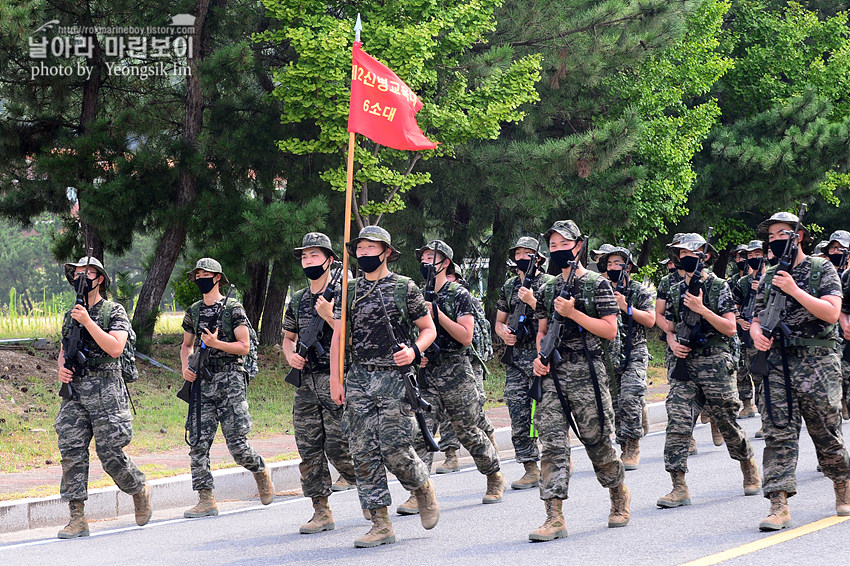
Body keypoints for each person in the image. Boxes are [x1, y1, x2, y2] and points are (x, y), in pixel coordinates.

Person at [329, 225, 439, 548]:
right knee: (362, 450)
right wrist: (337, 378)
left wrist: (414, 351)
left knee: (395, 449)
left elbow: (428, 329)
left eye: (370, 248)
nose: (364, 254)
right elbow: (338, 335)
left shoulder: (404, 288)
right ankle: (380, 522)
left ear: (386, 252)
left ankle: (422, 488)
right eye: (359, 249)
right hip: (360, 377)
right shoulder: (348, 291)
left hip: (394, 377)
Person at [529, 220, 630, 541]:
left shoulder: (597, 285)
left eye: (564, 244)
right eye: (553, 245)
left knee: (598, 443)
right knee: (553, 446)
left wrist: (573, 314)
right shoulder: (546, 288)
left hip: (588, 373)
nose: (558, 250)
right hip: (553, 376)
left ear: (578, 247)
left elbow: (610, 330)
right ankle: (553, 515)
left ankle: (618, 493)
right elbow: (542, 331)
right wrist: (540, 356)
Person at [750, 213, 850, 530]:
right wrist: (756, 335)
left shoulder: (823, 270)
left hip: (817, 362)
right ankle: (778, 504)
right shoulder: (767, 278)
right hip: (777, 364)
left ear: (799, 236)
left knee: (826, 431)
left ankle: (842, 485)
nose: (776, 239)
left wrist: (794, 290)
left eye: (783, 233)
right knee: (778, 432)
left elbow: (832, 313)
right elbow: (755, 318)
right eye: (772, 236)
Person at [396, 240, 504, 516]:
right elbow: (414, 331)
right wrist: (417, 350)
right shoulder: (416, 294)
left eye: (431, 257)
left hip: (457, 370)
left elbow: (466, 337)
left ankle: (493, 474)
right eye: (423, 257)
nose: (425, 262)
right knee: (421, 431)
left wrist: (438, 314)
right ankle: (418, 492)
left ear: (445, 262)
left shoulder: (459, 294)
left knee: (468, 431)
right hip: (427, 373)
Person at [658, 233, 759, 509]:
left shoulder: (718, 286)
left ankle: (748, 465)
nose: (684, 257)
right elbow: (664, 320)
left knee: (726, 421)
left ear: (704, 255)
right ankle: (678, 486)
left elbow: (729, 327)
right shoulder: (672, 285)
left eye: (690, 252)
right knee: (678, 421)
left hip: (715, 361)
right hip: (685, 364)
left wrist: (701, 309)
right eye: (680, 252)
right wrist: (671, 340)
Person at [55, 256, 151, 538]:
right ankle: (77, 517)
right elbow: (64, 349)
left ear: (100, 279)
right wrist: (61, 369)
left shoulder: (114, 311)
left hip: (107, 389)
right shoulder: (69, 314)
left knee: (110, 454)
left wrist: (88, 321)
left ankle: (137, 488)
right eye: (77, 274)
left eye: (88, 274)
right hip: (75, 392)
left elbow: (115, 348)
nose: (81, 279)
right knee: (71, 452)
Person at [180, 258, 274, 518]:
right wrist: (186, 367)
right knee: (198, 443)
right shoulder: (195, 310)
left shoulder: (233, 308)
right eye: (197, 274)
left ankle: (260, 470)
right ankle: (206, 499)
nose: (201, 278)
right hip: (202, 383)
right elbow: (186, 346)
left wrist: (216, 343)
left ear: (217, 277)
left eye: (205, 274)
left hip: (230, 381)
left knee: (238, 445)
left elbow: (243, 346)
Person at [282, 233, 357, 534]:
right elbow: (288, 339)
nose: (308, 261)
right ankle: (321, 511)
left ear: (329, 260)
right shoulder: (298, 300)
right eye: (304, 256)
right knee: (309, 450)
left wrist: (329, 317)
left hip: (336, 379)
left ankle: (372, 494)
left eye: (314, 255)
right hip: (306, 384)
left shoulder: (343, 295)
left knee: (342, 447)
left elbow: (353, 339)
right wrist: (291, 357)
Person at [495, 236, 552, 490]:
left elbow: (557, 315)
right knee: (517, 409)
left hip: (543, 356)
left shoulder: (549, 283)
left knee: (546, 412)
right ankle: (530, 466)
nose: (522, 257)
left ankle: (556, 459)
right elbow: (499, 320)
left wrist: (532, 300)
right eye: (518, 252)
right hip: (516, 359)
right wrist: (503, 333)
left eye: (528, 253)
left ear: (538, 258)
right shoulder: (508, 286)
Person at [431, 264, 496, 475]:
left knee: (471, 415)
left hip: (467, 362)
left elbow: (476, 336)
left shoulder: (463, 298)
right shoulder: (428, 296)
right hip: (434, 367)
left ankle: (490, 456)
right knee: (428, 424)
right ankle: (450, 455)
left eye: (452, 276)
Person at [600, 246, 656, 469]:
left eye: (617, 264)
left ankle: (631, 446)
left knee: (629, 395)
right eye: (609, 264)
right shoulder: (602, 289)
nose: (613, 268)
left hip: (635, 351)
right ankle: (627, 433)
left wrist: (627, 307)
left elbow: (651, 320)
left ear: (628, 267)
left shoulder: (638, 290)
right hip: (611, 353)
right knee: (615, 403)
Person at [733, 240, 765, 420]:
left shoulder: (773, 278)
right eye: (750, 255)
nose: (754, 258)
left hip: (764, 334)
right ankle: (746, 404)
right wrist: (739, 319)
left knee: (762, 376)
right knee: (743, 369)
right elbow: (732, 306)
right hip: (745, 335)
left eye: (757, 254)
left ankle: (764, 416)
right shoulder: (743, 283)